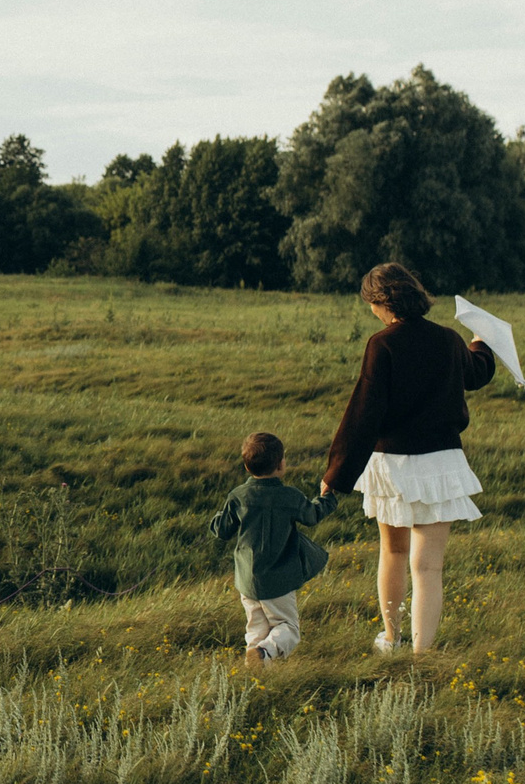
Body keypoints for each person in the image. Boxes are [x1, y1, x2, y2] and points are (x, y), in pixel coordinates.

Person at [320, 262, 499, 655]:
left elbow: (363, 413)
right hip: (441, 464)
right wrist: (481, 341)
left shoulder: (381, 344)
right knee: (429, 567)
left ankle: (391, 639)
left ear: (383, 302)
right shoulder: (449, 339)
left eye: (371, 303)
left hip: (394, 465)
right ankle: (422, 654)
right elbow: (476, 373)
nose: (371, 311)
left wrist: (336, 473)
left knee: (394, 553)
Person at [208, 431, 335, 667]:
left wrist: (218, 516)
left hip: (248, 579)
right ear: (280, 465)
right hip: (279, 580)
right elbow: (312, 515)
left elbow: (222, 530)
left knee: (256, 630)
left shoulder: (238, 496)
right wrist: (327, 496)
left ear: (247, 467)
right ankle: (265, 653)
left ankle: (255, 669)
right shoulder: (290, 496)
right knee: (288, 627)